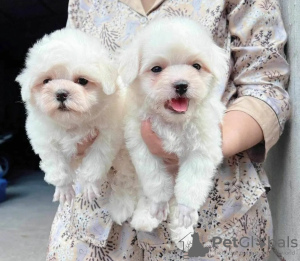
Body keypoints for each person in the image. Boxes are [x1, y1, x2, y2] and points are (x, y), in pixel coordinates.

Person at [46, 0, 290, 260]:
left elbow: (265, 84)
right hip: (96, 219)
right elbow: (58, 71)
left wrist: (204, 148)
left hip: (214, 216)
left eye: (195, 66)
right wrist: (66, 138)